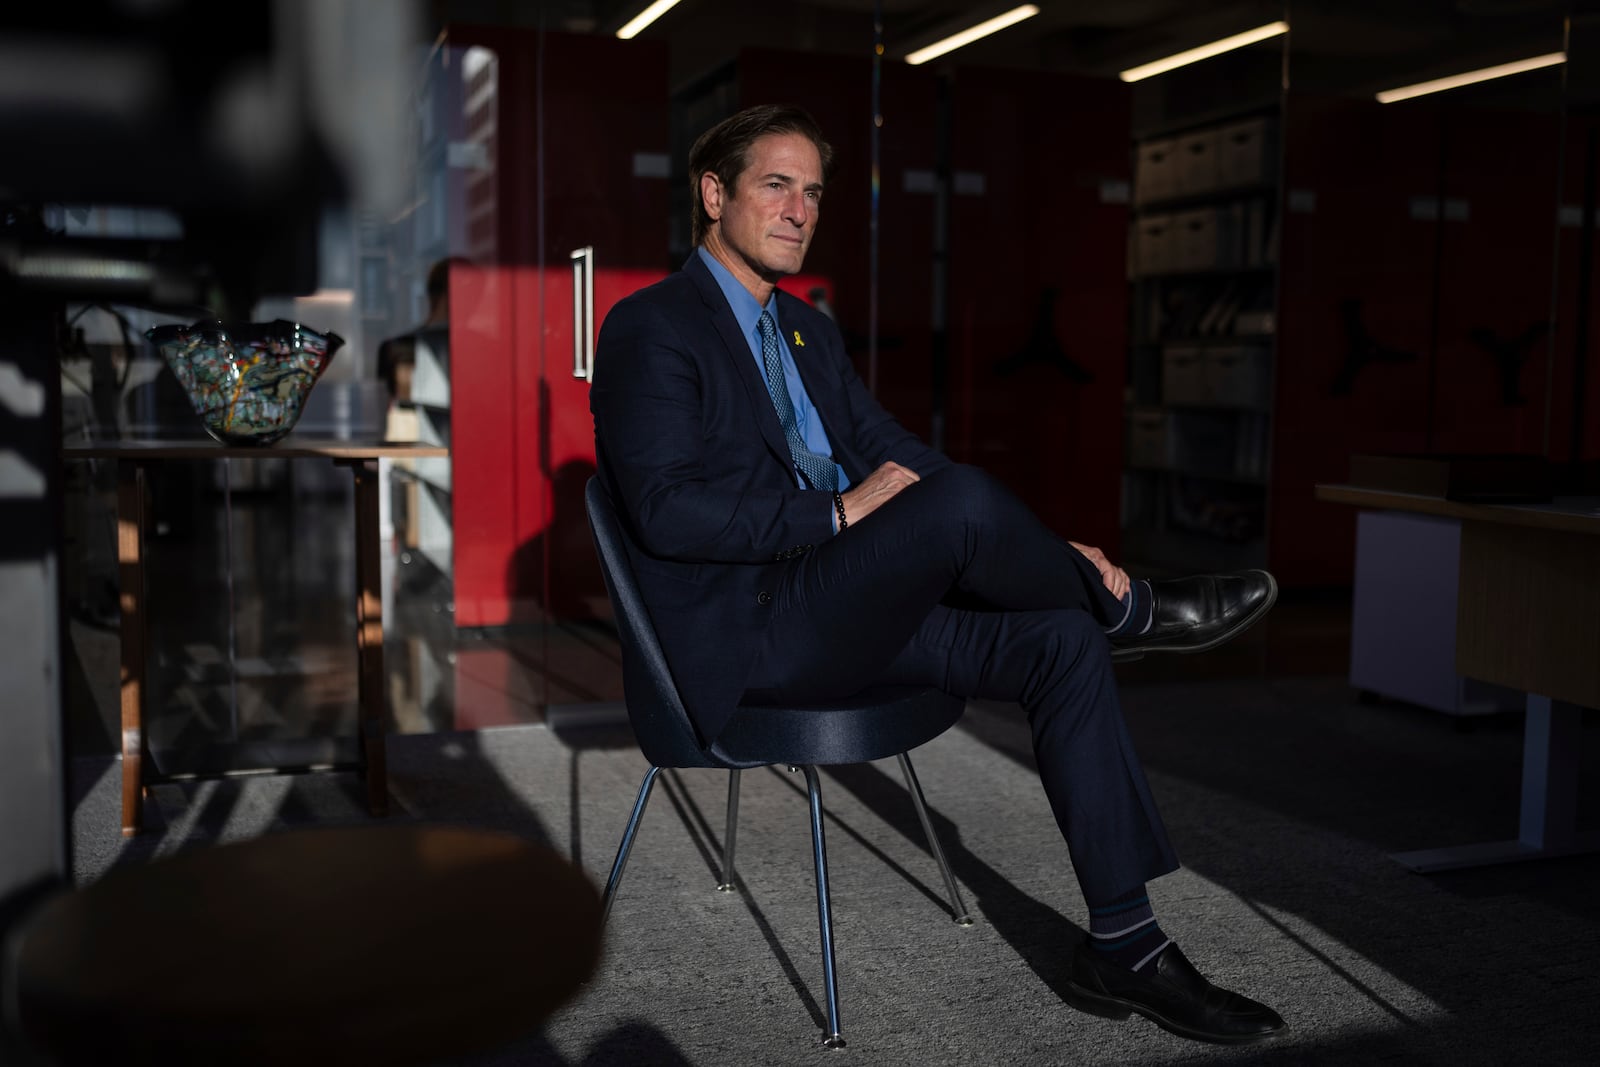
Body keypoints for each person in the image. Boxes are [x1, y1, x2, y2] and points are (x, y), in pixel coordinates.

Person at [589, 104, 1286, 1045]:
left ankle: (1125, 941)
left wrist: (1038, 552)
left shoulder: (806, 333)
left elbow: (895, 454)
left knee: (1058, 635)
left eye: (813, 193)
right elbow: (667, 510)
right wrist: (837, 512)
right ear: (713, 194)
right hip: (755, 629)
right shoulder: (650, 328)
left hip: (843, 603)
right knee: (965, 511)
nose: (800, 210)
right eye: (775, 185)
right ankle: (1139, 610)